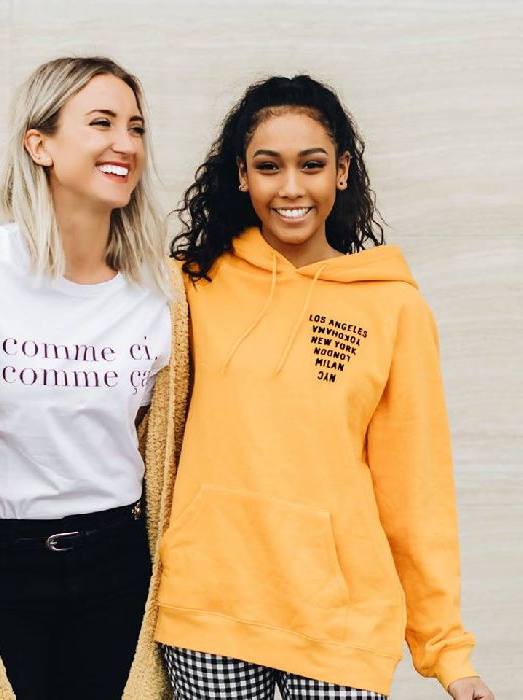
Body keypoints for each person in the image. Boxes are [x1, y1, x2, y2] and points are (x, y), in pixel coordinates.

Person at [154, 75, 495, 700]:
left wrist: (446, 650)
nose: (291, 187)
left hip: (342, 625)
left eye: (311, 165)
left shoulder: (392, 307)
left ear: (341, 171)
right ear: (242, 176)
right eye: (268, 166)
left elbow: (415, 489)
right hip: (210, 610)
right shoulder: (192, 286)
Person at [0, 56, 188, 700]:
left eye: (136, 127)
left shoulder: (163, 291)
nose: (125, 143)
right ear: (40, 145)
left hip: (120, 571)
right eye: (101, 123)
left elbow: (176, 450)